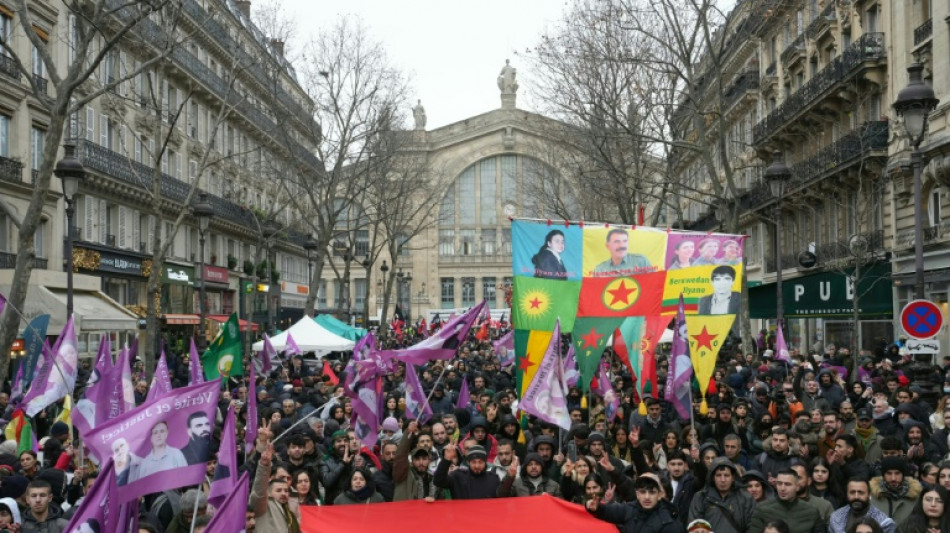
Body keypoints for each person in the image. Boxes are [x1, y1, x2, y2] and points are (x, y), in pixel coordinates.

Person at [585, 472, 686, 533]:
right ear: (637, 494)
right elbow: (609, 511)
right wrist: (596, 508)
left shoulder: (668, 522)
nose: (647, 497)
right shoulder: (630, 509)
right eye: (643, 492)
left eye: (652, 492)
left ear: (659, 495)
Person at [688, 457, 755, 533]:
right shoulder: (701, 497)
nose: (723, 480)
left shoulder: (746, 498)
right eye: (718, 475)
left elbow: (752, 527)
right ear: (713, 477)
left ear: (733, 477)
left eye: (726, 475)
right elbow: (695, 527)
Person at [748, 469, 823, 533]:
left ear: (797, 487)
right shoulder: (762, 509)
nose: (782, 488)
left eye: (787, 484)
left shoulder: (812, 512)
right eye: (779, 483)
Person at [435, 444, 513, 499]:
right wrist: (446, 460)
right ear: (468, 462)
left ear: (485, 462)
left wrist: (510, 477)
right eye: (473, 462)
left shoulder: (493, 478)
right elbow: (438, 481)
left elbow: (502, 498)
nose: (477, 466)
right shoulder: (458, 476)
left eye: (480, 462)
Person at [828, 478, 896, 533]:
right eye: (852, 492)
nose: (856, 496)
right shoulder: (836, 517)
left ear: (869, 495)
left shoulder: (883, 522)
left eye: (861, 492)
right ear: (847, 494)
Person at [870, 456, 922, 523]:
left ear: (903, 475)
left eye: (897, 473)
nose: (893, 478)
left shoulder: (916, 497)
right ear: (883, 475)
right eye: (889, 473)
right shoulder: (872, 496)